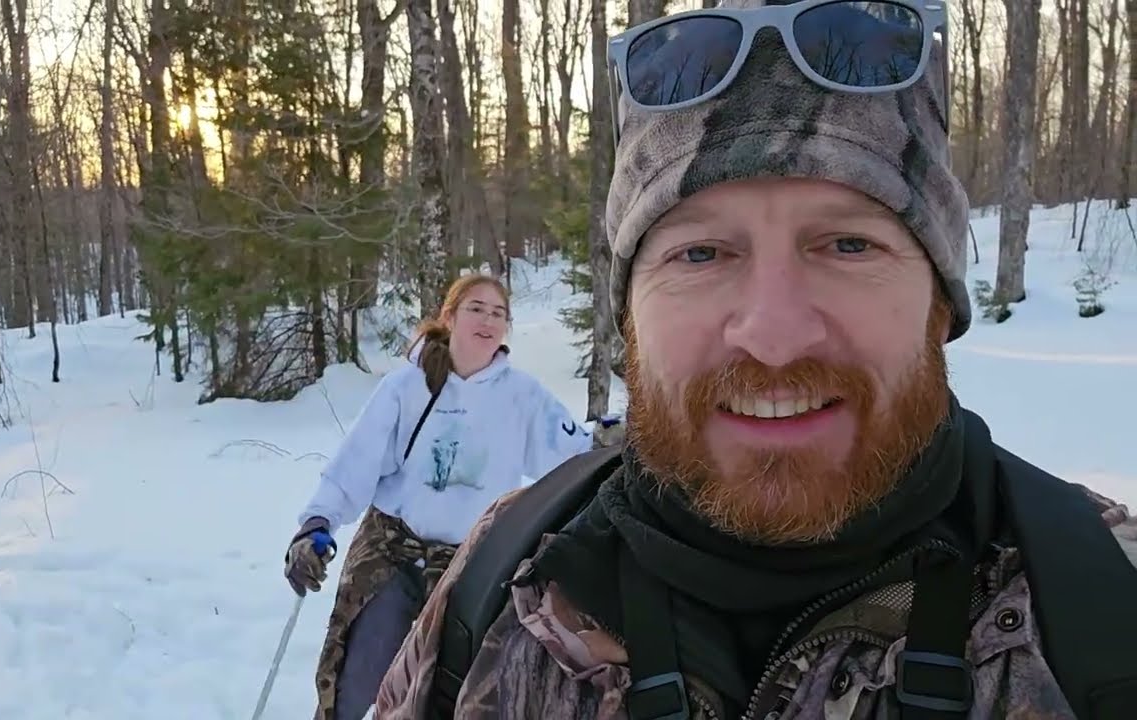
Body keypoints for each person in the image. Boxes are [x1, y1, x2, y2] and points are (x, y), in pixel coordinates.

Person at [374, 1, 1137, 718]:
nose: (773, 335)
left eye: (847, 244)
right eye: (700, 252)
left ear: (940, 302)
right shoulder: (504, 577)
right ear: (629, 317)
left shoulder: (1106, 598)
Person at [283, 272, 599, 720]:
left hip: (473, 565)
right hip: (393, 553)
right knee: (360, 680)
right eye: (476, 308)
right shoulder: (404, 388)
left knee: (454, 693)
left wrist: (611, 440)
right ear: (449, 317)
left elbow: (573, 455)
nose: (488, 320)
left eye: (498, 312)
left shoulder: (522, 397)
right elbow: (354, 465)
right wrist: (316, 523)